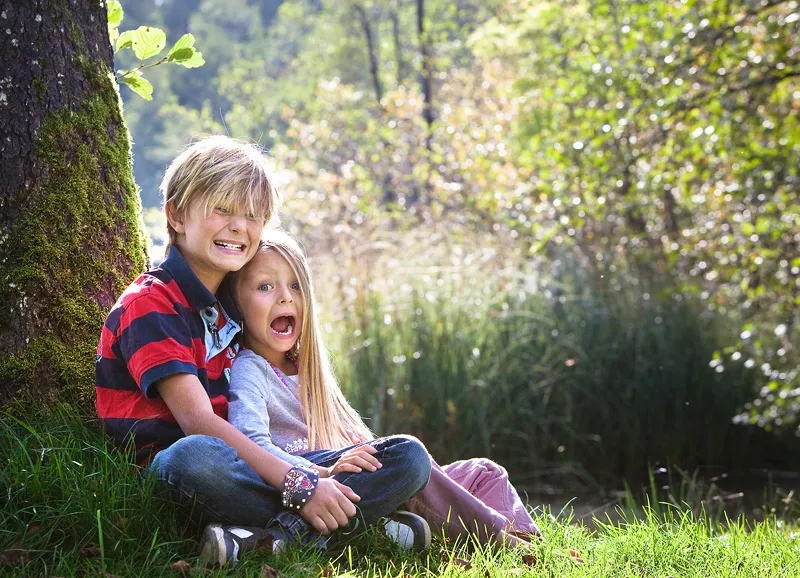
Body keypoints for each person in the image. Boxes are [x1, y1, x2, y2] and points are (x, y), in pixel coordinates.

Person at [94, 135, 431, 568]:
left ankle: (269, 539)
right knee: (194, 456)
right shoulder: (151, 303)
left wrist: (318, 469)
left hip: (252, 465)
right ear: (176, 215)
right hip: (188, 469)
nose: (239, 227)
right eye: (223, 209)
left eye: (254, 216)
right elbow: (197, 422)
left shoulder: (228, 308)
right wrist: (304, 484)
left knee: (406, 457)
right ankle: (349, 531)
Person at [228, 230, 542, 551]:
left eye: (295, 285)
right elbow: (250, 443)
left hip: (366, 478)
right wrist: (319, 472)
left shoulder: (309, 367)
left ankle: (527, 542)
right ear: (236, 303)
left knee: (484, 471)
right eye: (265, 286)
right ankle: (498, 539)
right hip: (318, 484)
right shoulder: (250, 368)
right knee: (408, 453)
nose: (285, 297)